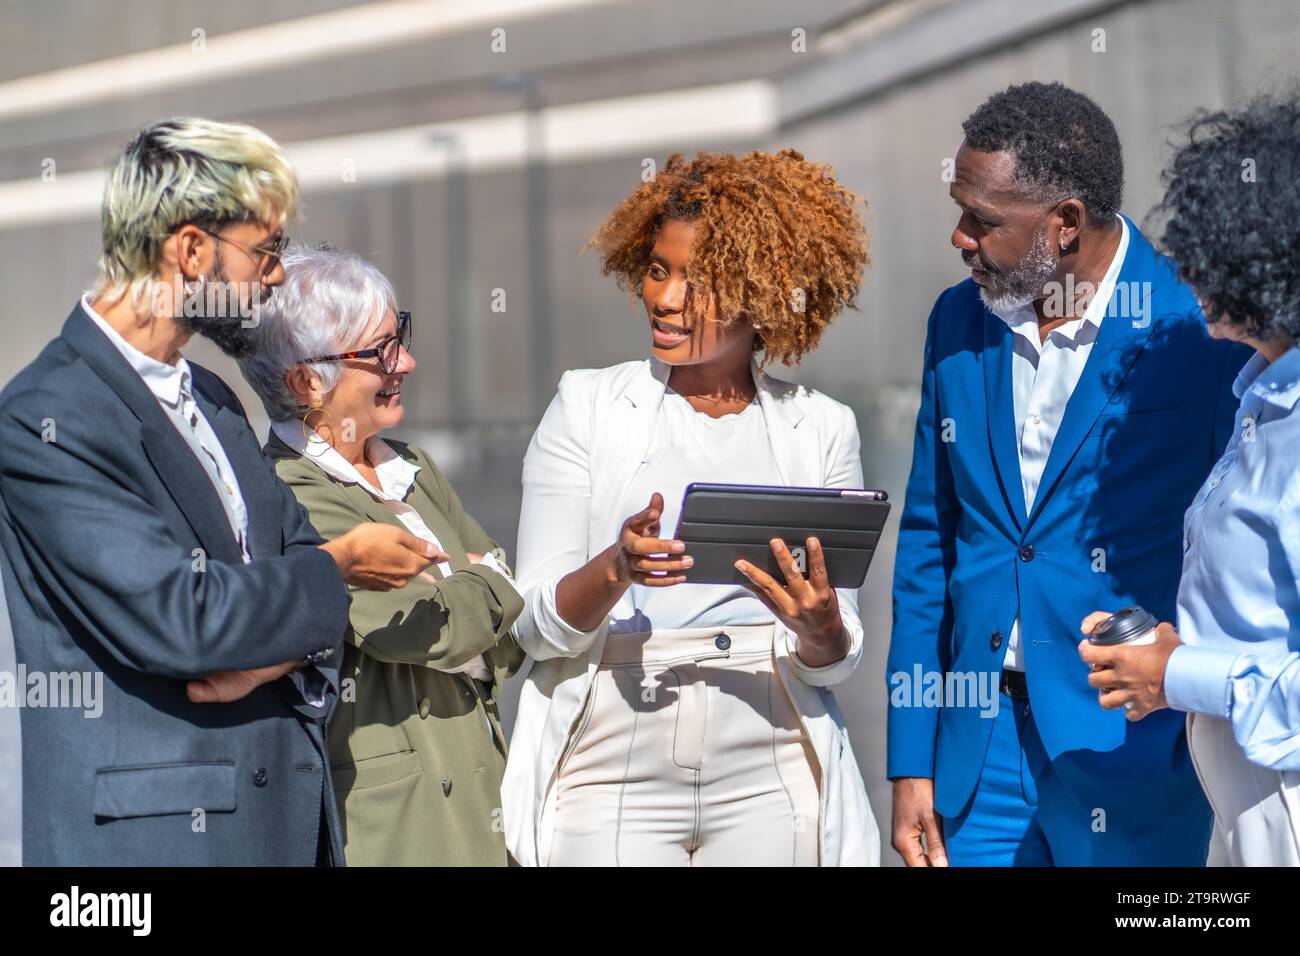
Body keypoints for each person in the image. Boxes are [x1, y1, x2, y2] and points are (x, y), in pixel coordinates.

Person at [0, 118, 438, 865]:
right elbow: (187, 621)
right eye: (265, 253)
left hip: (278, 832)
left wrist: (276, 649)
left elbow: (286, 551)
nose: (275, 278)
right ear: (192, 249)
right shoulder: (47, 418)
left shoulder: (211, 395)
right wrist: (338, 568)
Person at [887, 82, 1251, 866]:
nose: (960, 236)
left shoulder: (1198, 326)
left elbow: (1244, 545)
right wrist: (912, 758)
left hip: (1132, 757)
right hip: (974, 759)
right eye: (961, 209)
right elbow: (929, 544)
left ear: (1066, 223)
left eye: (984, 220)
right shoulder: (957, 320)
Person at [503, 148, 878, 867]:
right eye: (657, 269)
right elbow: (534, 629)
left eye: (698, 282)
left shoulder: (822, 427)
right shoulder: (585, 408)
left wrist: (822, 629)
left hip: (769, 741)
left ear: (765, 296)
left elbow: (832, 663)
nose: (666, 298)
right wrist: (615, 568)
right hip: (613, 739)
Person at [240, 246, 526, 866]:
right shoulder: (287, 492)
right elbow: (418, 630)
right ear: (306, 381)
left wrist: (485, 594)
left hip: (486, 797)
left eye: (401, 337)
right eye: (379, 351)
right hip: (402, 821)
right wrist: (493, 578)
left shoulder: (412, 468)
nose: (407, 362)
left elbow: (511, 639)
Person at [1078, 95, 1300, 866]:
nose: (1186, 268)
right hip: (1246, 797)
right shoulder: (1263, 403)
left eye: (1210, 246)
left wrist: (1182, 673)